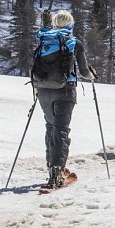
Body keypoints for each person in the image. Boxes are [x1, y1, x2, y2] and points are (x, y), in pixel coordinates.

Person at [33, 10, 93, 189]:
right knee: (61, 130)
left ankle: (51, 168)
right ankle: (57, 171)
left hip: (43, 89)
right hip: (65, 91)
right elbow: (84, 72)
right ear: (71, 25)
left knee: (50, 127)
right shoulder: (74, 42)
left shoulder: (44, 39)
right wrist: (91, 75)